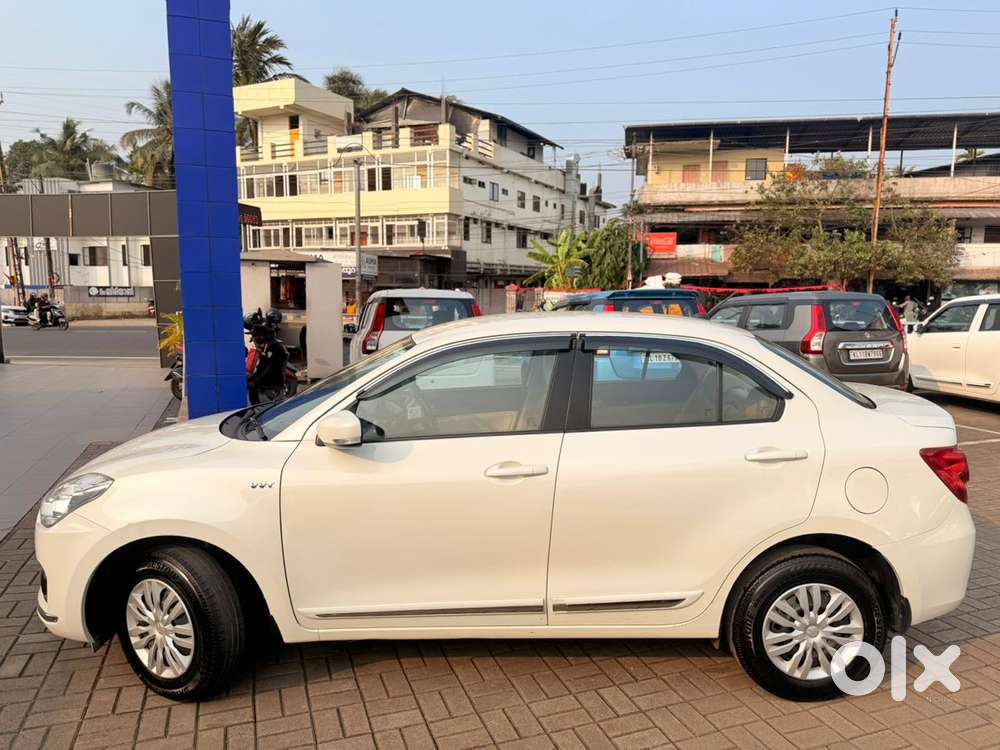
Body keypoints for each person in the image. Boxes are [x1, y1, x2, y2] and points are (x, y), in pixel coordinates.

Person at [247, 324, 288, 405]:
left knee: (263, 408)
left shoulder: (273, 346)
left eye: (255, 336)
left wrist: (256, 382)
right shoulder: (268, 346)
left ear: (262, 336)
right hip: (268, 381)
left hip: (271, 383)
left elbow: (270, 367)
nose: (253, 339)